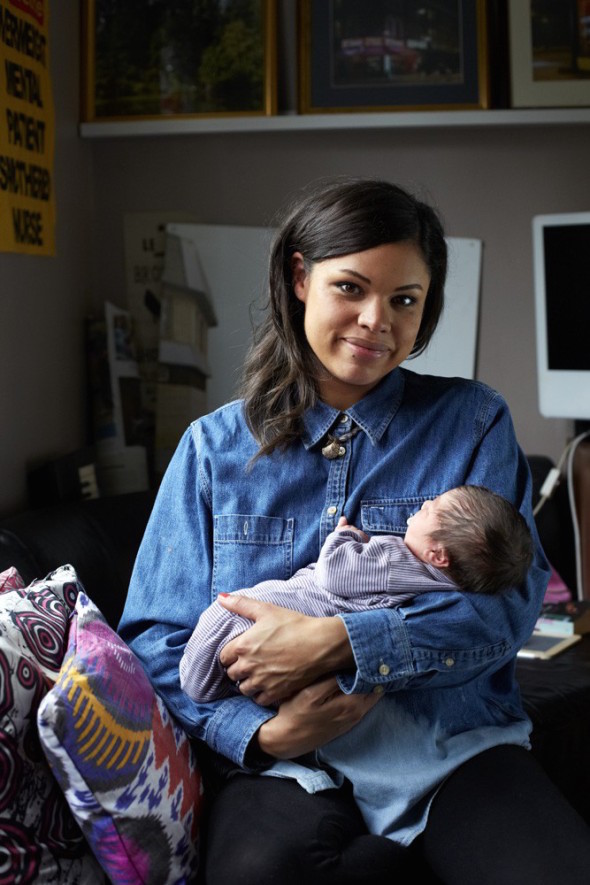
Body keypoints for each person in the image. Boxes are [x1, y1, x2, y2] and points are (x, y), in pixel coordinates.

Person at [119, 178, 590, 884]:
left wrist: (341, 641)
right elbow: (154, 639)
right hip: (285, 762)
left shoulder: (472, 422)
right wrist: (259, 733)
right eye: (351, 287)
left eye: (405, 299)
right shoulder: (212, 449)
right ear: (300, 277)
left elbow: (507, 608)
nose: (377, 320)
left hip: (451, 743)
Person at [180, 484, 534, 706]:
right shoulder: (447, 584)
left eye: (431, 509)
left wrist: (345, 536)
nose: (424, 504)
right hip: (318, 625)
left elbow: (334, 574)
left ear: (438, 555)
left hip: (310, 605)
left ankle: (199, 690)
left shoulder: (396, 559)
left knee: (224, 613)